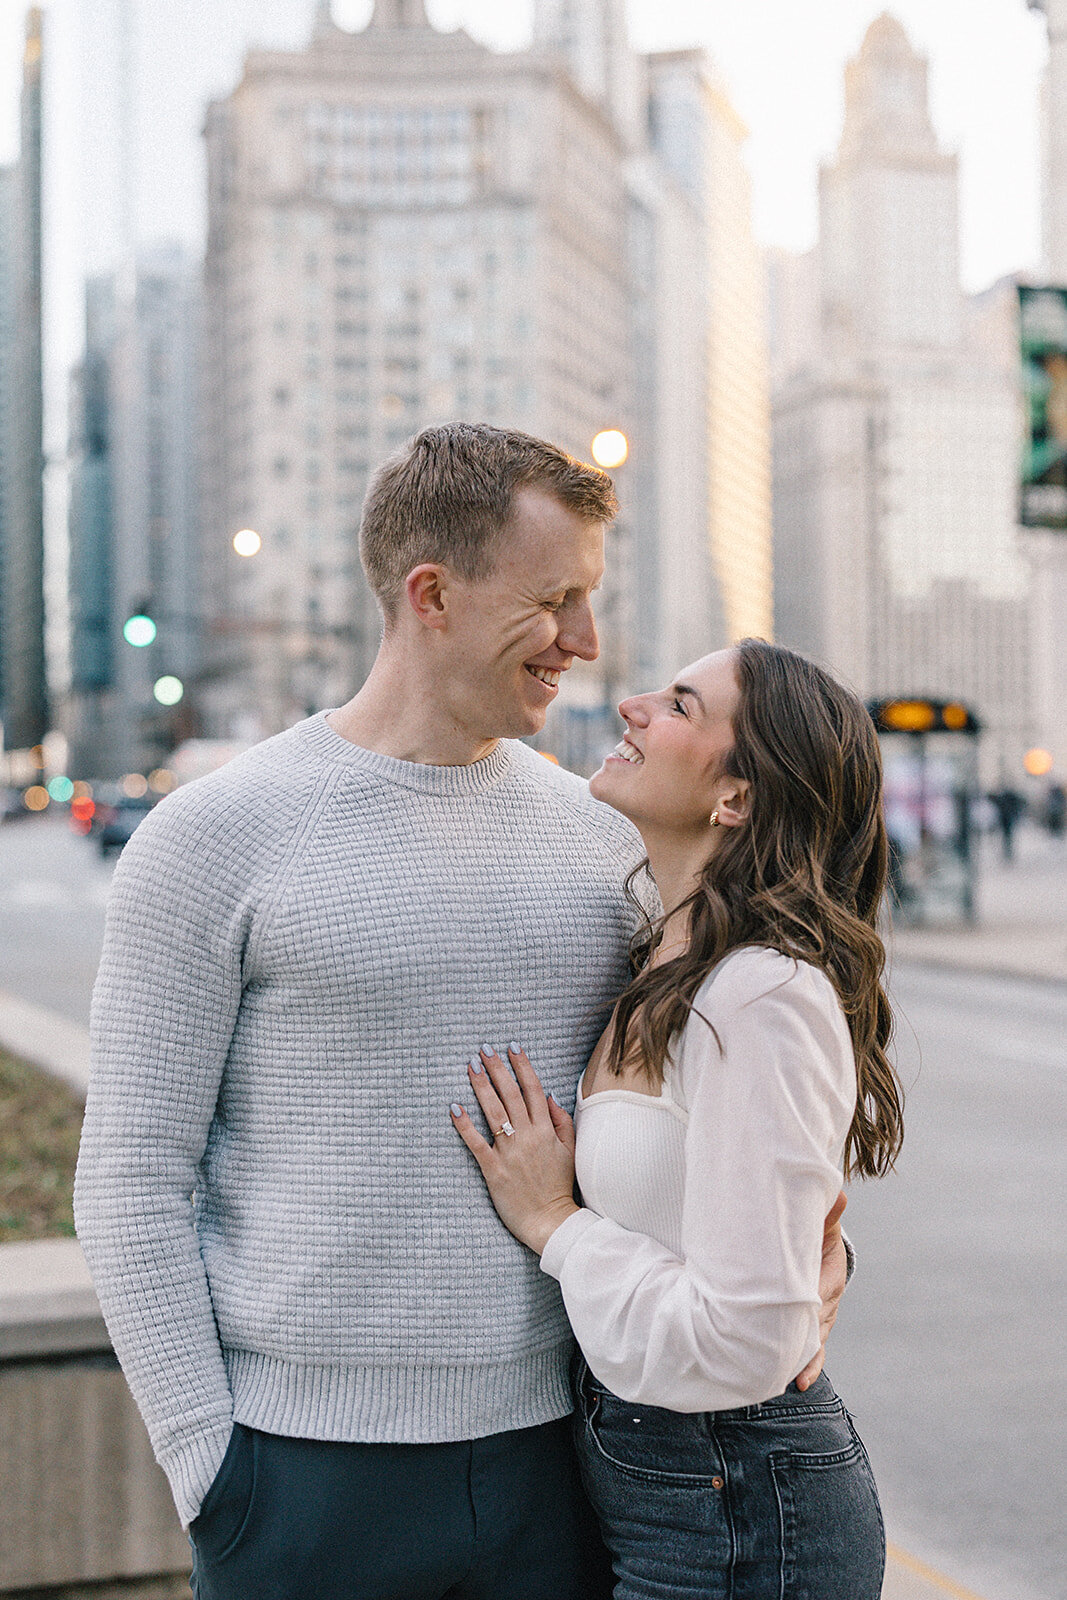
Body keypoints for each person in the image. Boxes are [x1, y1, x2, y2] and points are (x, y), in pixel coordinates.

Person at [75, 423, 850, 1600]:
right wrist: (210, 1471)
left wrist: (817, 1257)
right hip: (299, 1481)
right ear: (431, 595)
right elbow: (132, 1175)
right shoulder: (209, 839)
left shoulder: (607, 845)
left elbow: (721, 1113)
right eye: (554, 602)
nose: (585, 647)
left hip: (573, 1467)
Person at [452, 638, 902, 1600]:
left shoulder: (756, 993)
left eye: (681, 706)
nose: (633, 706)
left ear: (734, 797)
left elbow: (746, 1340)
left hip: (736, 1502)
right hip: (678, 1485)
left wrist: (554, 1225)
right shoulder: (668, 958)